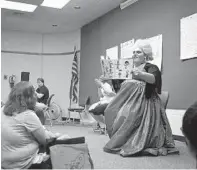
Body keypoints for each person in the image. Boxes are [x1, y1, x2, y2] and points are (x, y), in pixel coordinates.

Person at [103, 39, 179, 156]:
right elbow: (120, 88)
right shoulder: (128, 69)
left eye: (138, 52)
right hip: (129, 100)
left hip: (146, 102)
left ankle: (132, 141)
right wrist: (109, 76)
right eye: (133, 52)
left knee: (128, 115)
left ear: (146, 55)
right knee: (110, 111)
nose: (134, 54)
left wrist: (140, 74)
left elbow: (154, 79)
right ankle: (121, 139)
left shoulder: (151, 67)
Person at [1, 81, 67, 169]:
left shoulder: (2, 110)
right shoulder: (28, 115)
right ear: (30, 98)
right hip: (23, 164)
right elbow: (44, 140)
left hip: (4, 163)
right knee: (60, 143)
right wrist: (57, 136)